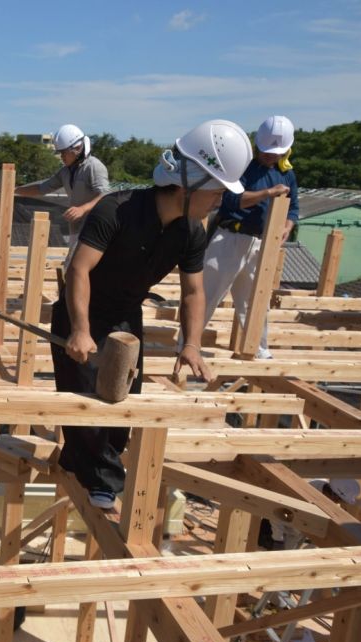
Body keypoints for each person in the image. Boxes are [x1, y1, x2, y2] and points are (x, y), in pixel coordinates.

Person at [53, 119, 253, 509]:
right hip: (82, 308)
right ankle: (104, 484)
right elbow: (79, 270)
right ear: (188, 183)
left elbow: (193, 290)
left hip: (127, 315)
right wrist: (79, 330)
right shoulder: (118, 209)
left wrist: (191, 344)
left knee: (123, 400)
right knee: (83, 397)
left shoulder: (192, 232)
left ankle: (83, 463)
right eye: (215, 193)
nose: (218, 202)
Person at [201, 115, 299, 359]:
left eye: (275, 152)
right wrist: (267, 193)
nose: (270, 156)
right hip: (230, 239)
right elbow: (230, 201)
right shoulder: (242, 167)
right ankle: (187, 344)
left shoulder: (286, 173)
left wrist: (287, 225)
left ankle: (258, 347)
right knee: (208, 294)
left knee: (255, 300)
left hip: (260, 244)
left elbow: (294, 207)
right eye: (267, 151)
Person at [14, 124, 111, 258]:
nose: (61, 156)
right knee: (71, 270)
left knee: (79, 270)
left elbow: (106, 195)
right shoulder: (66, 171)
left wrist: (82, 209)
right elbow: (41, 188)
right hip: (77, 230)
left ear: (77, 148)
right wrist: (13, 189)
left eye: (64, 152)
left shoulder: (93, 167)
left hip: (94, 231)